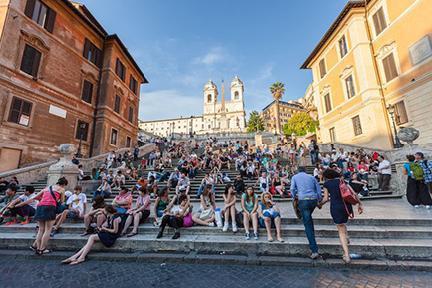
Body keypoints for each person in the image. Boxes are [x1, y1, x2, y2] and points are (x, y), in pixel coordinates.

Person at [319, 169, 363, 264]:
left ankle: (346, 255)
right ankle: (347, 238)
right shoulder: (342, 181)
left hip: (336, 208)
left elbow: (326, 198)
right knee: (343, 225)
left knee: (341, 230)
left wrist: (320, 204)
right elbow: (354, 193)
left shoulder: (326, 184)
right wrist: (360, 204)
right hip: (346, 206)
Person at [290, 167, 322, 259]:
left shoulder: (295, 177)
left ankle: (314, 250)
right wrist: (319, 200)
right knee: (308, 218)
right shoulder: (312, 177)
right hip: (313, 200)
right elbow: (318, 189)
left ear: (298, 171)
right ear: (305, 171)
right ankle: (303, 216)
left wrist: (294, 197)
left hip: (303, 200)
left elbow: (292, 190)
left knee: (308, 224)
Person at [31, 177, 67, 255]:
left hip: (40, 206)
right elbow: (62, 201)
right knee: (48, 229)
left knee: (41, 230)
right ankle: (42, 249)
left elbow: (36, 197)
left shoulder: (47, 187)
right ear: (64, 184)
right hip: (50, 207)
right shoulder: (62, 189)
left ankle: (37, 248)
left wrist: (44, 199)